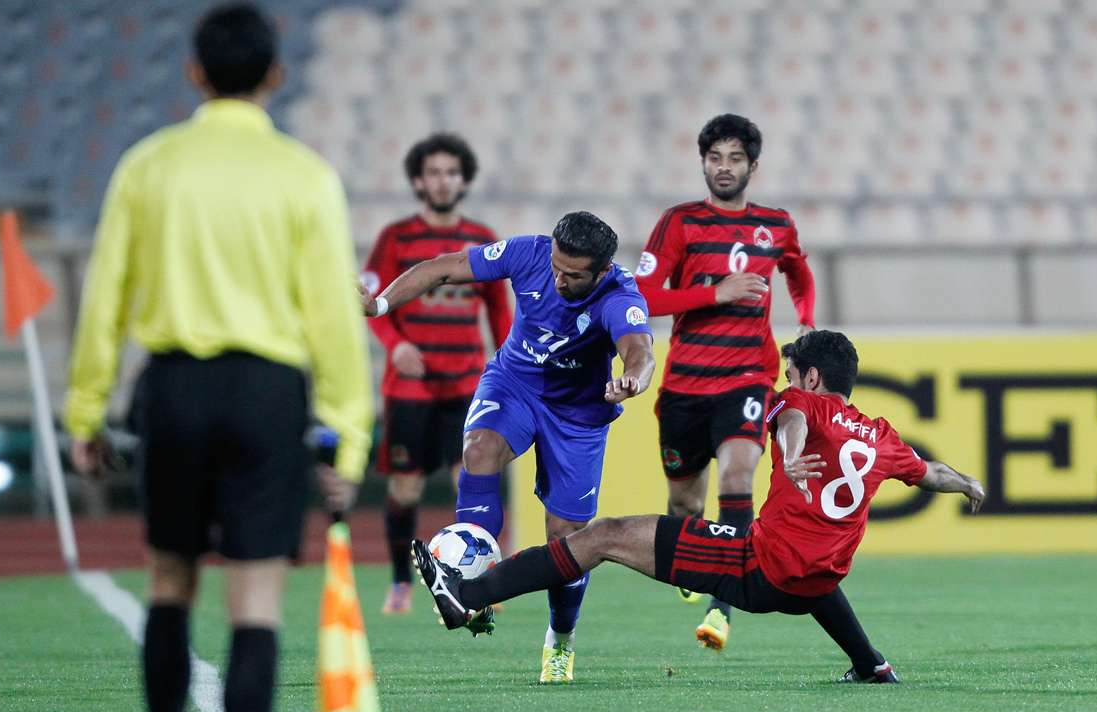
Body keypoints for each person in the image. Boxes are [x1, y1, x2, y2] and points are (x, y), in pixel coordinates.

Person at [63, 2, 371, 712]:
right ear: (276, 75)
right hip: (268, 395)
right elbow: (332, 322)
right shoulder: (304, 175)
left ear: (194, 72)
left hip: (174, 390)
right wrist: (348, 433)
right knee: (257, 599)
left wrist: (84, 411)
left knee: (170, 582)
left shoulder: (147, 166)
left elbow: (106, 301)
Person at [414, 330, 985, 684]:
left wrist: (786, 456)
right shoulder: (881, 436)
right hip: (811, 578)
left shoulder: (797, 401)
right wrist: (965, 483)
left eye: (790, 373)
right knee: (812, 566)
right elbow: (929, 470)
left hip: (758, 569)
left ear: (811, 377)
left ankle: (467, 596)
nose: (784, 381)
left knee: (605, 535)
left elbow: (789, 422)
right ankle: (871, 664)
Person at [362, 211, 654, 683]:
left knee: (567, 540)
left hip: (578, 417)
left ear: (600, 272)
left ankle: (561, 638)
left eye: (572, 275)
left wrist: (633, 380)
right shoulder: (530, 252)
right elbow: (443, 267)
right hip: (513, 385)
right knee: (478, 449)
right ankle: (469, 588)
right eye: (556, 266)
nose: (557, 279)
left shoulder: (620, 295)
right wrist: (378, 305)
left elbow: (639, 350)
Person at [635, 114, 816, 651]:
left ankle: (723, 605)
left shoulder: (776, 224)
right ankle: (695, 568)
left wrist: (805, 316)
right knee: (686, 507)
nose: (724, 168)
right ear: (703, 163)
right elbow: (642, 297)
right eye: (715, 158)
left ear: (752, 166)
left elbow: (797, 269)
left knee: (738, 479)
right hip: (686, 385)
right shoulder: (680, 223)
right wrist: (715, 293)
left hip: (747, 379)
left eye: (735, 159)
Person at [362, 133, 512, 615]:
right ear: (417, 180)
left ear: (463, 179)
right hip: (410, 388)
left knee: (472, 478)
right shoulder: (395, 239)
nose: (443, 181)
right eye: (434, 172)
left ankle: (486, 582)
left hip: (468, 383)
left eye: (451, 172)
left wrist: (508, 364)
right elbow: (373, 303)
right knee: (405, 489)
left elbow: (499, 312)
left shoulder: (481, 238)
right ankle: (401, 583)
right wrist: (396, 344)